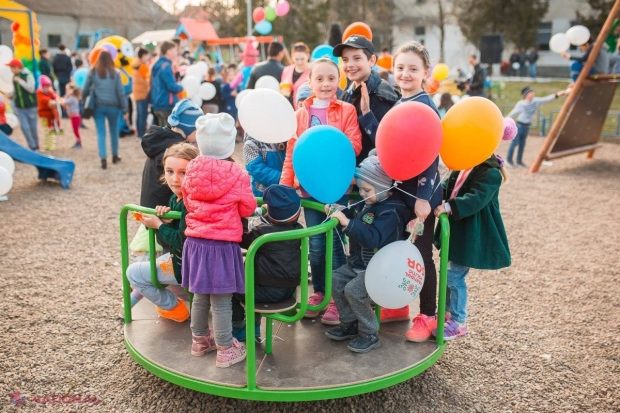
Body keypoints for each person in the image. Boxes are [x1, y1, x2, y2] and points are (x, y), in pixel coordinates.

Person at [280, 57, 362, 324]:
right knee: (316, 244)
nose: (326, 84)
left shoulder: (347, 110)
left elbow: (355, 144)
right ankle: (319, 293)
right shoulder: (300, 115)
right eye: (320, 78)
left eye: (331, 78)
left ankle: (337, 300)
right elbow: (292, 152)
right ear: (310, 82)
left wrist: (330, 151)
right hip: (309, 188)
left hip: (337, 186)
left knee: (336, 241)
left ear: (338, 80)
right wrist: (284, 188)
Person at [376, 41, 443, 344]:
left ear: (425, 72)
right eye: (400, 68)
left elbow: (430, 157)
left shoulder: (425, 107)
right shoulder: (399, 103)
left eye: (413, 69)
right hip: (399, 193)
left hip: (420, 198)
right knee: (397, 250)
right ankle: (398, 303)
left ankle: (428, 316)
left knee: (421, 257)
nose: (405, 74)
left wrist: (424, 199)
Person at [182, 112, 257, 367]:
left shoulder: (191, 168)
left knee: (200, 295)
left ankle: (199, 341)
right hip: (222, 244)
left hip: (195, 242)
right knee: (222, 300)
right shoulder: (236, 173)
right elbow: (247, 208)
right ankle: (225, 348)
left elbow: (186, 199)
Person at [325, 156, 409, 353]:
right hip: (359, 264)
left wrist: (348, 223)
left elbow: (373, 238)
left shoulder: (392, 212)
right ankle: (349, 323)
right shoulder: (369, 202)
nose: (362, 194)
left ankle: (369, 333)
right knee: (336, 280)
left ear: (383, 187)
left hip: (381, 270)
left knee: (354, 291)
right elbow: (354, 213)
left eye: (367, 190)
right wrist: (340, 211)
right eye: (360, 189)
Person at [432, 154, 511, 340]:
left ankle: (459, 321)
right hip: (460, 230)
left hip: (471, 231)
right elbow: (450, 188)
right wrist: (433, 194)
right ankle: (447, 311)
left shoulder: (491, 173)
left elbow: (476, 198)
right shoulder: (464, 163)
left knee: (454, 275)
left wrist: (449, 207)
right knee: (449, 273)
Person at [126, 142, 200, 321]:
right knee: (148, 267)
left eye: (183, 172)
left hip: (188, 267)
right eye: (170, 171)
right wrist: (166, 220)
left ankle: (174, 308)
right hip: (186, 261)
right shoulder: (177, 197)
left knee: (133, 273)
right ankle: (129, 303)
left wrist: (159, 225)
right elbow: (173, 237)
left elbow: (181, 241)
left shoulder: (188, 201)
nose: (175, 178)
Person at [232, 184, 304, 342]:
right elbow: (279, 223)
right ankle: (255, 328)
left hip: (267, 291)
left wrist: (243, 218)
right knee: (253, 285)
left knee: (233, 289)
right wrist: (270, 214)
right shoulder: (298, 229)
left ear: (271, 215)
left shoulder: (262, 234)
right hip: (289, 289)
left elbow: (241, 238)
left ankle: (238, 329)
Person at [335, 35, 399, 165]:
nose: (350, 65)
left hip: (370, 177)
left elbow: (387, 145)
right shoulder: (347, 92)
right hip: (348, 171)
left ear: (371, 60)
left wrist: (367, 114)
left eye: (357, 58)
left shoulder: (381, 95)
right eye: (345, 60)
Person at [140, 99, 203, 211]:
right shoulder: (177, 151)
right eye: (198, 130)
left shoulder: (160, 141)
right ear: (189, 129)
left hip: (149, 208)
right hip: (164, 213)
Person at [81, 50, 128, 169]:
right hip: (114, 106)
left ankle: (103, 158)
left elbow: (85, 89)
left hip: (98, 106)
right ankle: (115, 155)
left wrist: (83, 102)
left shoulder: (93, 72)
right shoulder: (116, 73)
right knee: (113, 131)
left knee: (101, 132)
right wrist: (125, 109)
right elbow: (120, 92)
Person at [505, 86, 568, 167]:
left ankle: (519, 161)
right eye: (530, 92)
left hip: (526, 126)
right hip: (520, 125)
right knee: (514, 143)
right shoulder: (521, 104)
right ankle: (509, 160)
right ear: (526, 95)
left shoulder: (536, 101)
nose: (532, 94)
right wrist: (505, 121)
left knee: (522, 144)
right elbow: (512, 113)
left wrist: (557, 95)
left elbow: (546, 99)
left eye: (532, 92)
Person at [8, 59, 39, 150]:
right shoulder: (14, 77)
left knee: (32, 127)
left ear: (17, 67)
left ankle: (36, 145)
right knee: (24, 127)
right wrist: (12, 95)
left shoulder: (28, 75)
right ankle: (32, 145)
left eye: (11, 67)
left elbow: (31, 89)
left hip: (30, 105)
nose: (11, 70)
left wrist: (20, 81)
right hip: (20, 106)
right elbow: (17, 91)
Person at [151, 41, 184, 127]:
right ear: (169, 51)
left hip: (158, 103)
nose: (177, 53)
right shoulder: (166, 66)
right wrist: (181, 87)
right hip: (167, 103)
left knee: (163, 133)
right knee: (169, 134)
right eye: (175, 50)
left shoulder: (158, 64)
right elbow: (171, 86)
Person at [280, 42, 310, 109]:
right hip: (287, 108)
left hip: (304, 109)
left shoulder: (312, 71)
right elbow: (282, 87)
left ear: (308, 56)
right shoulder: (287, 70)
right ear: (292, 57)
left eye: (302, 59)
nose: (299, 62)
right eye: (296, 59)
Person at [36, 75, 62, 151]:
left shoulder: (50, 91)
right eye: (45, 86)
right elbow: (43, 100)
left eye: (48, 86)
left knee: (51, 129)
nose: (47, 88)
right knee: (46, 130)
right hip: (44, 114)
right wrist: (51, 101)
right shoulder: (39, 92)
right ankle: (48, 144)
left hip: (50, 114)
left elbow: (55, 96)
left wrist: (57, 99)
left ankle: (51, 144)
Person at [132, 47, 151, 139]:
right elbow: (148, 80)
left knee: (139, 115)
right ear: (143, 55)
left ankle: (138, 134)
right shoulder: (143, 67)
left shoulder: (135, 65)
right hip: (143, 94)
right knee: (143, 115)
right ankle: (142, 135)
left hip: (137, 93)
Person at [52, 43, 73, 113]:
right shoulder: (67, 58)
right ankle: (67, 110)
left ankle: (62, 110)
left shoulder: (56, 58)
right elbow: (70, 68)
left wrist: (57, 74)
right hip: (66, 76)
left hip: (60, 76)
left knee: (61, 93)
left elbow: (54, 68)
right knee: (68, 93)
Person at [62, 83, 82, 149]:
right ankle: (77, 141)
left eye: (68, 90)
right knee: (74, 130)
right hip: (73, 117)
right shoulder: (71, 98)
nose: (66, 91)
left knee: (76, 130)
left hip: (75, 117)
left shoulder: (73, 98)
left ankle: (79, 142)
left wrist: (64, 97)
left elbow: (64, 101)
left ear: (72, 91)